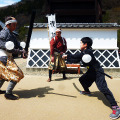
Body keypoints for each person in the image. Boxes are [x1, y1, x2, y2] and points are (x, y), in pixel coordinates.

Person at [62, 37, 120, 119]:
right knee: (82, 79)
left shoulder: (88, 51)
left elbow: (78, 56)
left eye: (81, 43)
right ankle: (87, 91)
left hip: (97, 72)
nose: (80, 44)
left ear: (85, 44)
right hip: (91, 71)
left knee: (103, 88)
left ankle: (116, 107)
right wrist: (66, 57)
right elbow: (76, 59)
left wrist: (67, 55)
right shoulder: (84, 52)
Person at [0, 16, 27, 100]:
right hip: (4, 57)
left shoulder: (11, 34)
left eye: (16, 25)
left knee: (3, 75)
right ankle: (8, 93)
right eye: (14, 25)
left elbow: (18, 44)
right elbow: (4, 46)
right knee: (17, 73)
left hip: (6, 57)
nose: (15, 27)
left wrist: (23, 50)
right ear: (8, 25)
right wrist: (20, 52)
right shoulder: (4, 33)